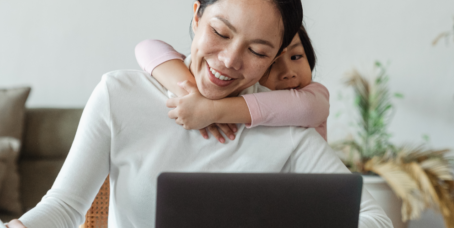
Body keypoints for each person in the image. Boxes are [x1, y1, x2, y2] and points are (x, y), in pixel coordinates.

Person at [0, 0, 395, 228]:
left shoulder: (285, 127)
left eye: (258, 51)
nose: (229, 61)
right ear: (195, 18)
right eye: (220, 32)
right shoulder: (120, 95)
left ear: (275, 59)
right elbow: (64, 209)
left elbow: (378, 226)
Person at [134, 24, 328, 142]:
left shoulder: (314, 95)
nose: (288, 73)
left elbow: (307, 108)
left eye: (296, 56)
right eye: (272, 63)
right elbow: (147, 47)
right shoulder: (242, 89)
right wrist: (191, 95)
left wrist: (210, 110)